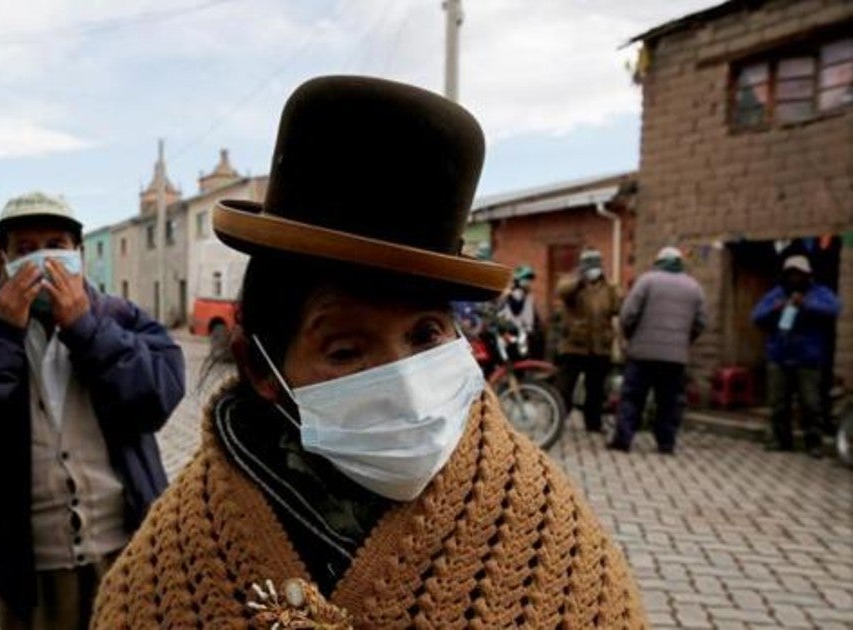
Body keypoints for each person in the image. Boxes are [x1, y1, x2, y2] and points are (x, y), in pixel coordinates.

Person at [92, 76, 644, 628]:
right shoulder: (174, 559)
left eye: (426, 335)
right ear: (260, 366)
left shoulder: (544, 529)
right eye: (346, 350)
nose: (405, 383)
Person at [0, 192, 185, 629]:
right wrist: (0, 335)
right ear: (3, 261)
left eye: (55, 244)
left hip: (126, 550)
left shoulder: (123, 319)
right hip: (28, 567)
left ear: (77, 253)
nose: (42, 260)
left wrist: (86, 329)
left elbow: (155, 400)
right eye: (26, 249)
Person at [610, 246, 706, 454]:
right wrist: (683, 341)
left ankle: (623, 439)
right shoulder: (693, 287)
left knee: (633, 397)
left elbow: (628, 314)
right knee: (669, 401)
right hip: (675, 358)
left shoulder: (647, 281)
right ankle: (666, 442)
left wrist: (630, 336)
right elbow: (700, 322)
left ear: (659, 261)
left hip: (642, 354)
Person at [751, 255, 841, 457]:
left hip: (807, 357)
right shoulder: (777, 294)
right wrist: (777, 308)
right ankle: (781, 441)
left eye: (798, 273)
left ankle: (813, 443)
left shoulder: (820, 292)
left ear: (807, 275)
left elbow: (833, 308)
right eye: (790, 273)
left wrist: (805, 304)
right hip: (779, 356)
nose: (794, 277)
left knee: (810, 404)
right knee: (778, 403)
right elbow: (756, 316)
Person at [554, 249, 621, 433]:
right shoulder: (573, 284)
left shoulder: (609, 288)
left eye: (596, 266)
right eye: (589, 266)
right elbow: (561, 290)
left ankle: (594, 423)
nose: (594, 271)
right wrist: (579, 280)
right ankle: (558, 419)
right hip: (575, 345)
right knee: (565, 387)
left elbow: (617, 308)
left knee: (596, 389)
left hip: (600, 346)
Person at [499, 264, 544, 358]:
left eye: (529, 279)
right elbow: (516, 310)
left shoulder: (526, 294)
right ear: (518, 279)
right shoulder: (513, 293)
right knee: (519, 359)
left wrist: (537, 324)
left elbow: (532, 313)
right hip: (514, 331)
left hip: (527, 331)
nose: (528, 282)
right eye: (526, 278)